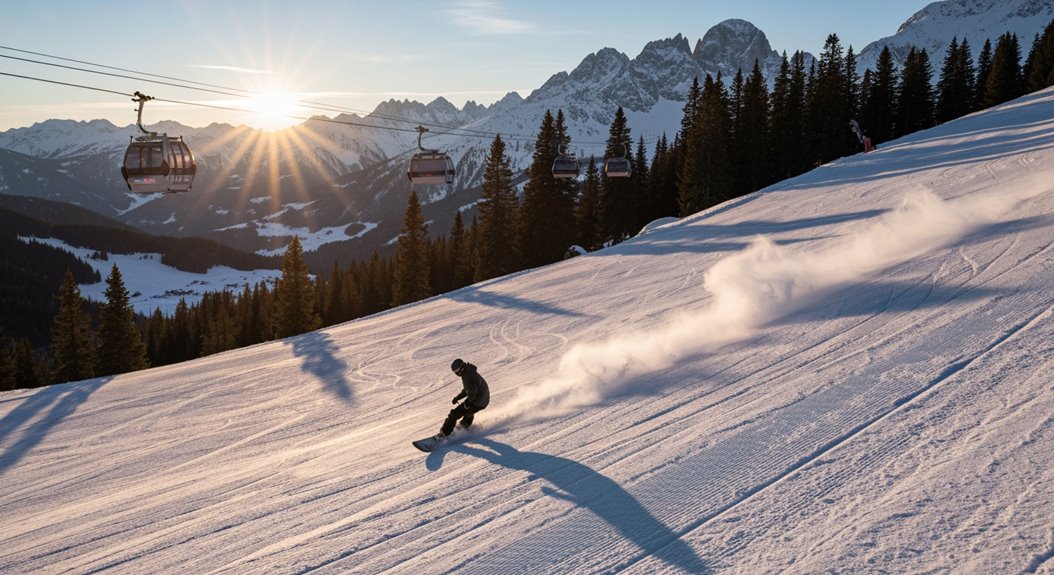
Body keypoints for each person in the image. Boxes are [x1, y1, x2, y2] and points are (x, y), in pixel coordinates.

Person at [438, 358, 489, 437]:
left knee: (454, 414)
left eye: (457, 371)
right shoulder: (469, 372)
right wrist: (458, 398)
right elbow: (468, 389)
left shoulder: (467, 376)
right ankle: (464, 426)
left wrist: (468, 402)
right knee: (468, 410)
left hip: (478, 401)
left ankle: (444, 434)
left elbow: (472, 392)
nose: (457, 373)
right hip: (483, 400)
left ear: (461, 368)